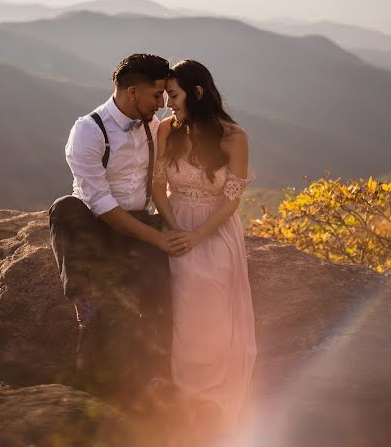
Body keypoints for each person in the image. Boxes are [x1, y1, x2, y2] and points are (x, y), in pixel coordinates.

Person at [49, 53, 191, 400]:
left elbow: (160, 185)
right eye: (156, 96)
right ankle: (86, 305)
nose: (161, 104)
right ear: (132, 93)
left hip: (139, 221)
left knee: (162, 279)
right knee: (64, 208)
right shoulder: (87, 130)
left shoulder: (154, 128)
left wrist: (171, 229)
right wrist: (157, 238)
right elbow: (101, 205)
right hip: (96, 226)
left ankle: (155, 366)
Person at [152, 59, 257, 441]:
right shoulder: (167, 130)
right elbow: (157, 183)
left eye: (174, 95)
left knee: (205, 295)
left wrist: (198, 236)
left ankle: (210, 397)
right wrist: (174, 227)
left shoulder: (234, 137)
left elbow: (232, 199)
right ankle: (184, 396)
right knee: (176, 298)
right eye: (165, 96)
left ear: (197, 93)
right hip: (174, 218)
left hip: (215, 228)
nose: (168, 104)